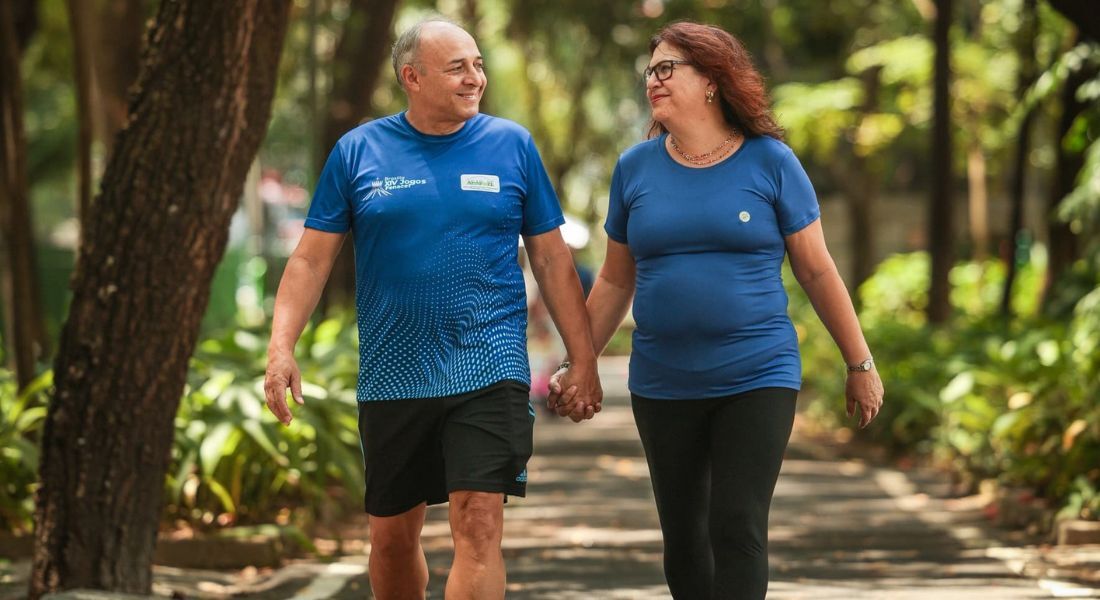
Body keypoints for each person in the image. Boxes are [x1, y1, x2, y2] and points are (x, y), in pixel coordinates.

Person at [263, 18, 602, 600]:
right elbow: (311, 260)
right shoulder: (358, 151)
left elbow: (550, 260)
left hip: (489, 364)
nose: (476, 78)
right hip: (395, 372)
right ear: (412, 78)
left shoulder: (512, 146)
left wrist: (584, 358)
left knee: (479, 522)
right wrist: (280, 348)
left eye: (478, 65)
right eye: (457, 68)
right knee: (392, 540)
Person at [550, 21, 885, 599]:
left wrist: (860, 363)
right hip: (663, 381)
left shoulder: (770, 162)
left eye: (666, 68)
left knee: (736, 526)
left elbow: (816, 269)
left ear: (711, 79)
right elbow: (615, 279)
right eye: (649, 71)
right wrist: (579, 362)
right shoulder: (635, 168)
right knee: (684, 541)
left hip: (757, 373)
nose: (653, 81)